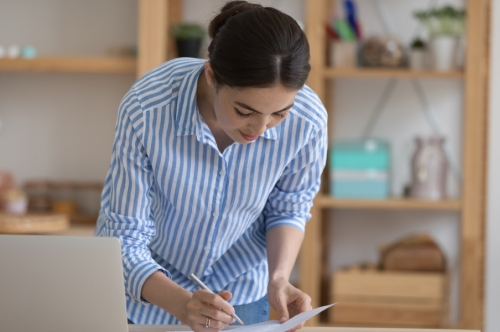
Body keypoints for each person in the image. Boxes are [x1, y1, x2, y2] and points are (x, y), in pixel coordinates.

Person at [95, 1, 327, 331]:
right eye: (244, 112)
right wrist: (180, 302)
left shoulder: (308, 120)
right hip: (149, 294)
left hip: (242, 293)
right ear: (211, 74)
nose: (259, 130)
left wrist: (279, 278)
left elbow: (288, 208)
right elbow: (122, 236)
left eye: (279, 114)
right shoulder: (147, 108)